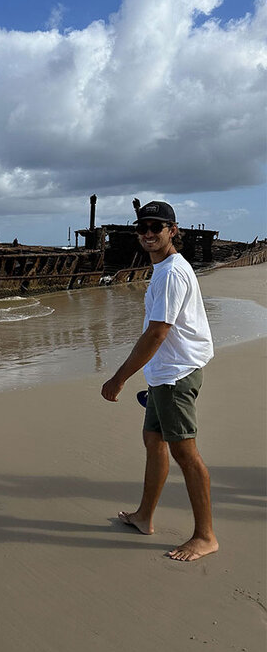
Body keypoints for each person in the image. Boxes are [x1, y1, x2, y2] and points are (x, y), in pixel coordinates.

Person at [101, 201, 218, 562]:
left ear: (173, 230)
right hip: (165, 373)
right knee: (153, 440)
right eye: (143, 227)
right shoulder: (167, 267)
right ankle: (144, 516)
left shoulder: (170, 274)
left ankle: (205, 536)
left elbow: (157, 333)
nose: (149, 233)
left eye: (157, 226)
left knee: (186, 453)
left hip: (175, 375)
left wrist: (118, 379)